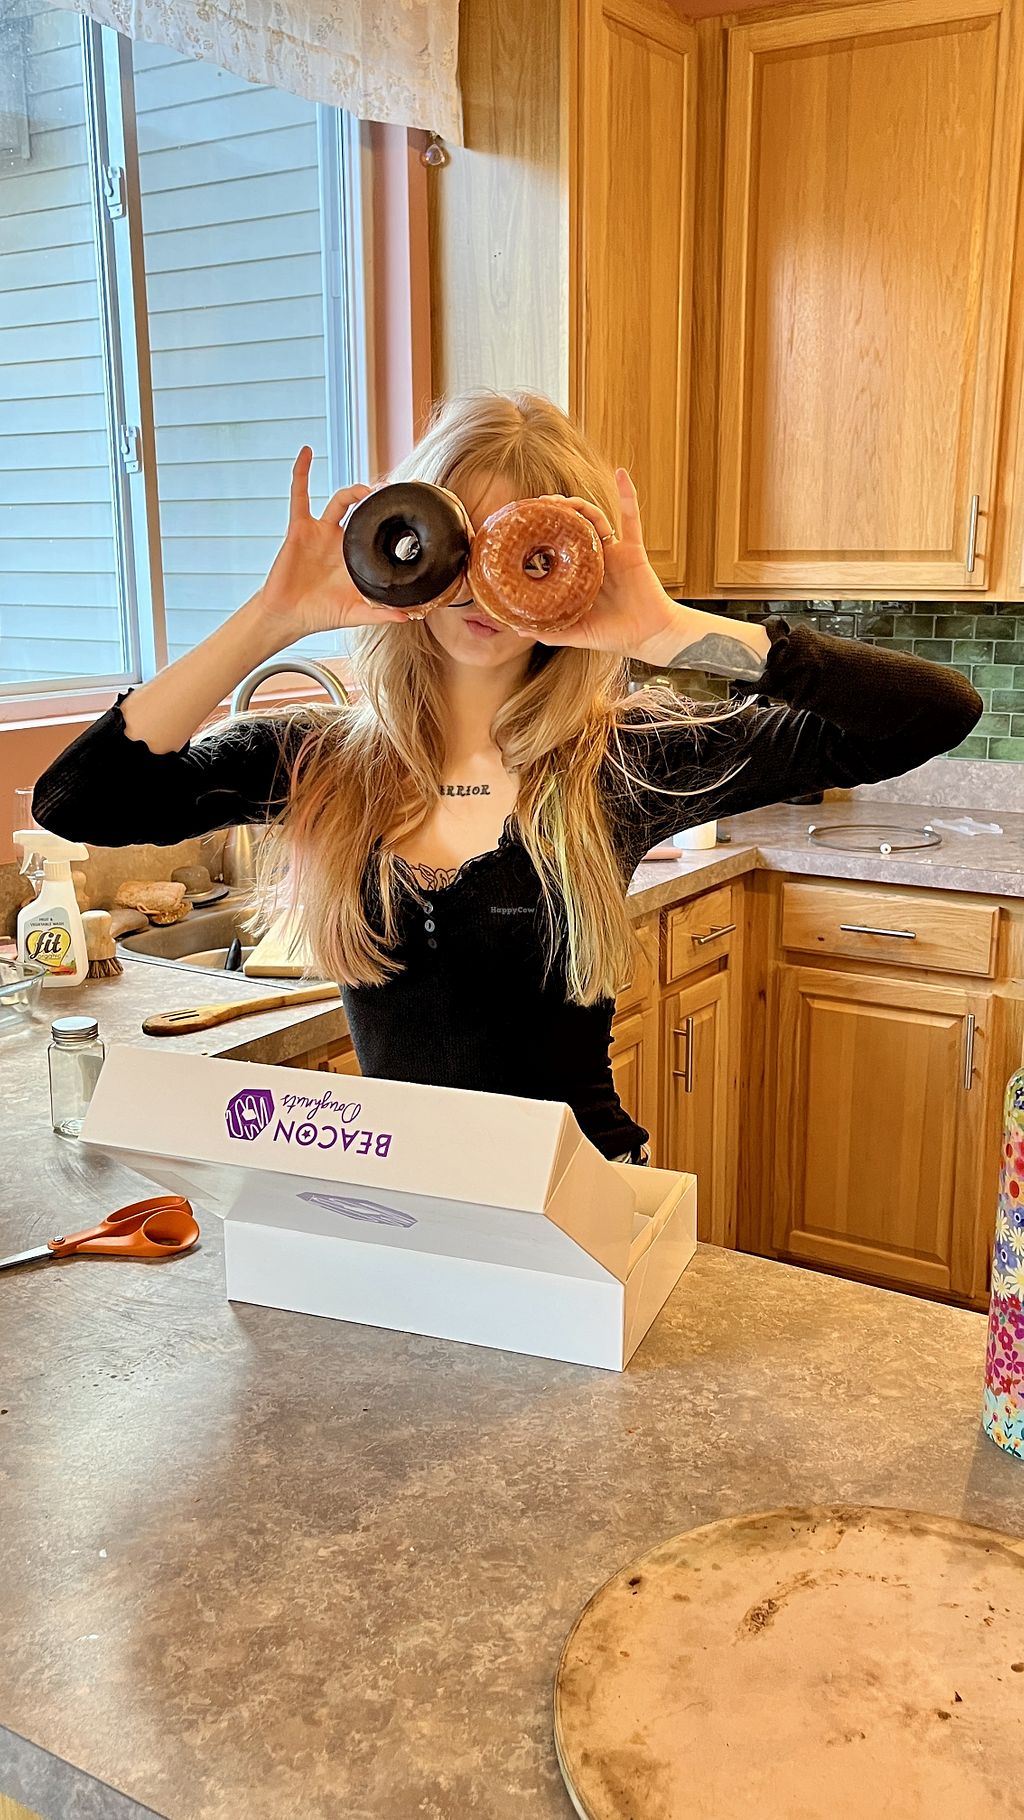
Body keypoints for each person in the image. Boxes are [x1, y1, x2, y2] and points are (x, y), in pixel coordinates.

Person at [33, 390, 982, 1163]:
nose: (485, 586)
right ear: (404, 546)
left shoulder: (628, 759)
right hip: (400, 1198)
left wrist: (671, 631)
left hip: (578, 1196)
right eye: (458, 544)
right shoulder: (320, 761)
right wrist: (272, 618)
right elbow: (79, 801)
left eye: (525, 552)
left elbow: (932, 713)